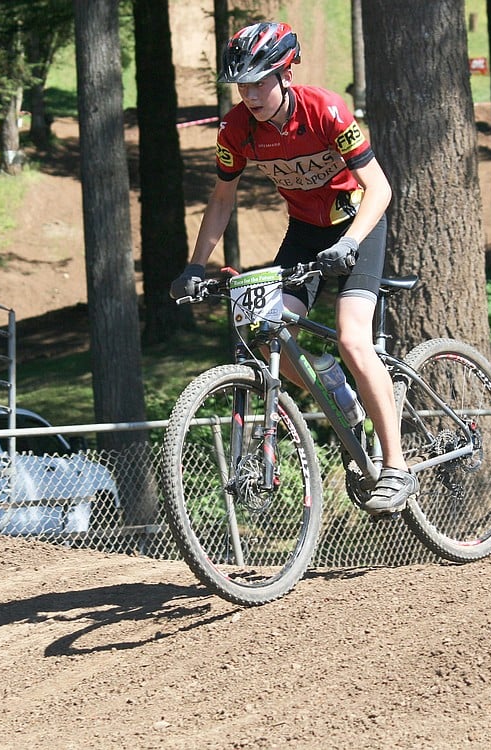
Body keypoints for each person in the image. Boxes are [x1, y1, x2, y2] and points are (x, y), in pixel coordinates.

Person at [171, 21, 417, 515]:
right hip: (304, 233)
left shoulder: (324, 109)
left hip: (357, 226)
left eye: (259, 82)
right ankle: (336, 391)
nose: (250, 94)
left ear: (285, 74)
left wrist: (349, 242)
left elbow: (380, 189)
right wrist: (196, 266)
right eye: (241, 84)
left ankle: (396, 466)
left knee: (352, 338)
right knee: (265, 330)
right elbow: (222, 199)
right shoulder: (235, 129)